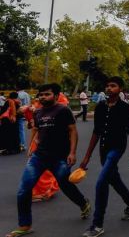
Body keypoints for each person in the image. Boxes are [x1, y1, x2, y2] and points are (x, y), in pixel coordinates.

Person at [8, 84, 91, 237]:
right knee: (23, 191)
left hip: (59, 158)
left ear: (56, 95)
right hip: (39, 157)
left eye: (47, 94)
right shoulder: (38, 112)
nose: (43, 97)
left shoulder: (63, 110)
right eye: (41, 95)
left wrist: (72, 152)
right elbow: (37, 130)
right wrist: (32, 146)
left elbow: (73, 131)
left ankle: (83, 203)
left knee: (65, 185)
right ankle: (25, 225)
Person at [79, 77, 129, 237]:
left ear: (120, 89)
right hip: (103, 149)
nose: (109, 88)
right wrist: (87, 157)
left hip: (117, 149)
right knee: (113, 178)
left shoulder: (125, 108)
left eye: (113, 86)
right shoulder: (100, 107)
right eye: (107, 86)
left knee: (101, 182)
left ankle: (97, 225)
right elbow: (96, 132)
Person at [16, 87, 31, 152]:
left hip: (19, 112)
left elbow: (18, 104)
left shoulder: (18, 94)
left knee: (19, 129)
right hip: (26, 112)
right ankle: (23, 144)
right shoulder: (27, 94)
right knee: (22, 129)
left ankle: (21, 144)